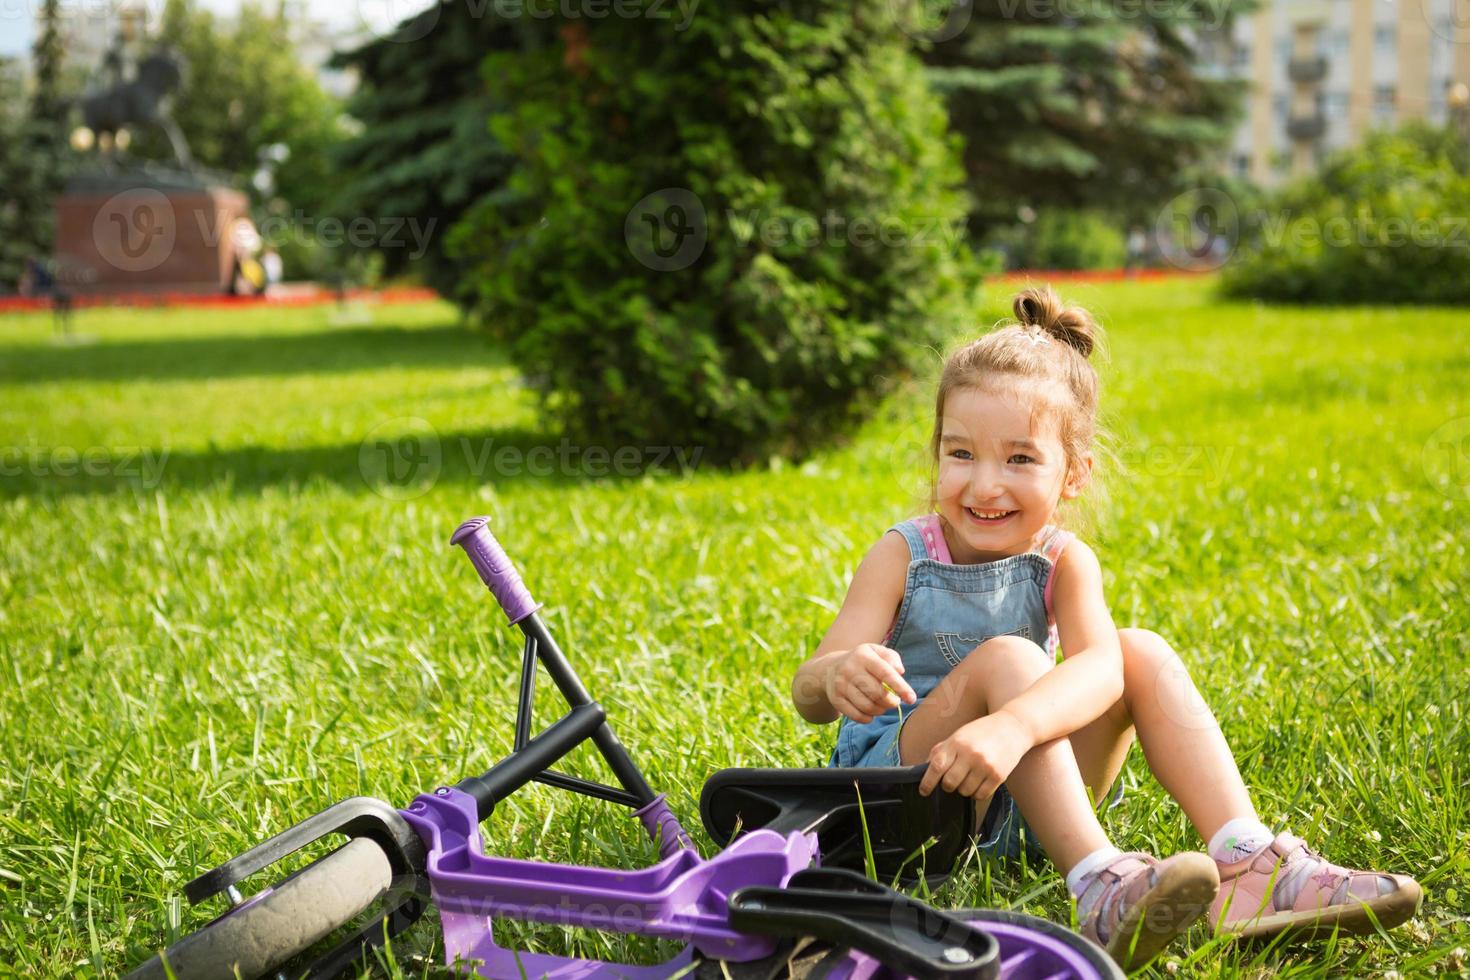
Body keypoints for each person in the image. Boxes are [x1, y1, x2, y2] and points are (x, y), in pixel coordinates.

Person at [789, 286, 1422, 969]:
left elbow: (1101, 672)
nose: (984, 485)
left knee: (1138, 652)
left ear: (1075, 474)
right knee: (1011, 659)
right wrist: (839, 674)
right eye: (961, 454)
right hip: (905, 801)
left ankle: (1248, 863)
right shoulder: (903, 554)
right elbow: (808, 692)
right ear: (936, 453)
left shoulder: (1065, 561)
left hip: (1028, 800)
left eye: (1020, 459)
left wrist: (1015, 726)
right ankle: (1100, 887)